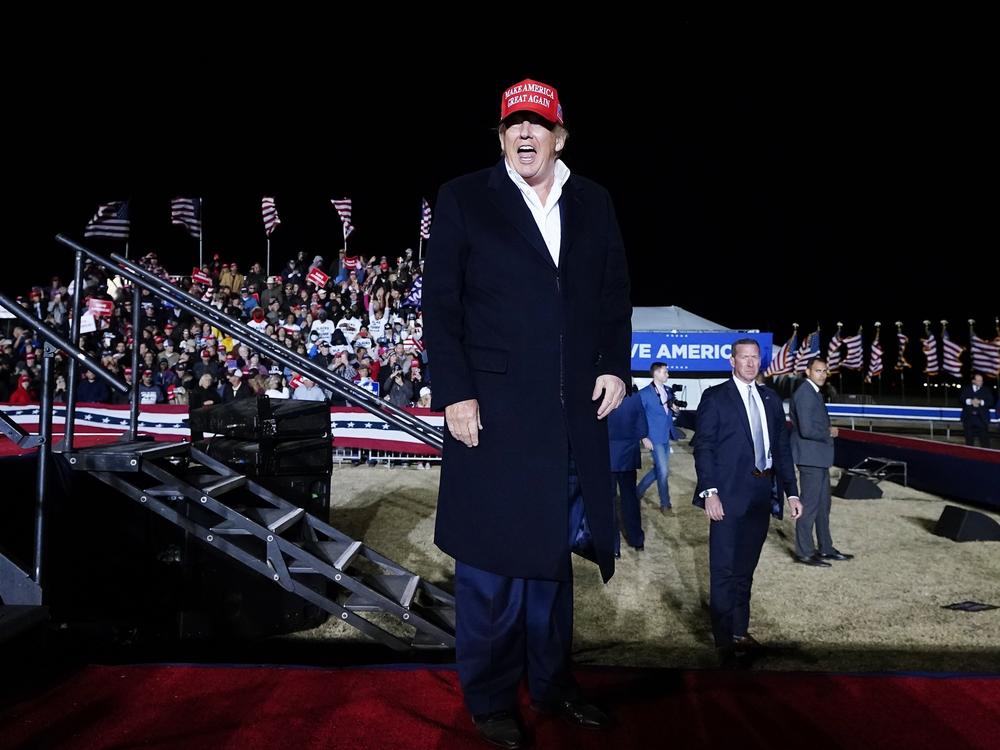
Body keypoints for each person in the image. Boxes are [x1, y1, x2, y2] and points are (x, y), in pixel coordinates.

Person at [423, 77, 631, 747]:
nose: (523, 134)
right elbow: (441, 307)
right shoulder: (462, 198)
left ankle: (552, 685)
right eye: (513, 124)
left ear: (559, 135)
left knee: (550, 567)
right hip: (491, 418)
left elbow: (612, 297)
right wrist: (455, 391)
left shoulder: (595, 202)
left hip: (571, 424)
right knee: (489, 572)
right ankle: (487, 700)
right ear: (502, 134)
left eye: (536, 125)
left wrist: (614, 365)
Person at [692, 338, 802, 664]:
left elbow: (781, 450)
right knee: (723, 570)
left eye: (755, 358)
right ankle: (724, 641)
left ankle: (741, 631)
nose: (751, 363)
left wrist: (792, 491)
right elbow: (704, 447)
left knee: (745, 571)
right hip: (726, 497)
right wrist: (709, 492)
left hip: (761, 495)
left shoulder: (770, 398)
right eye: (745, 357)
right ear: (732, 361)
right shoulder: (715, 397)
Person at [789, 357, 853, 566]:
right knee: (809, 506)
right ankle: (804, 552)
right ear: (808, 372)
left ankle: (825, 548)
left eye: (825, 371)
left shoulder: (814, 393)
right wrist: (828, 432)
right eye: (818, 370)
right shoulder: (805, 394)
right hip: (810, 458)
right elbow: (807, 430)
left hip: (818, 458)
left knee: (823, 506)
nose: (823, 374)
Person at [608, 385, 648, 554]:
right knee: (630, 500)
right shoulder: (634, 398)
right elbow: (643, 430)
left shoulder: (601, 398)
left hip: (606, 456)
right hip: (627, 457)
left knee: (608, 502)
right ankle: (636, 540)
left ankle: (613, 547)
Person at [637, 362, 678, 511]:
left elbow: (670, 413)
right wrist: (643, 437)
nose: (668, 374)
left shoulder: (668, 390)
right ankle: (665, 503)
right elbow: (638, 417)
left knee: (660, 470)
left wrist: (676, 410)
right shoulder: (644, 393)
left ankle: (637, 492)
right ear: (656, 373)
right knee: (664, 471)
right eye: (665, 372)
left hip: (666, 435)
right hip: (653, 437)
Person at [959, 372, 995, 448]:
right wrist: (970, 401)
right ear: (973, 381)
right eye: (978, 380)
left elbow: (990, 402)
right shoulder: (966, 389)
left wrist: (980, 402)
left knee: (984, 441)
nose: (980, 382)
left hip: (981, 419)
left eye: (981, 381)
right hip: (968, 418)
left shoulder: (986, 390)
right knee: (969, 441)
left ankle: (986, 457)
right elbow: (961, 399)